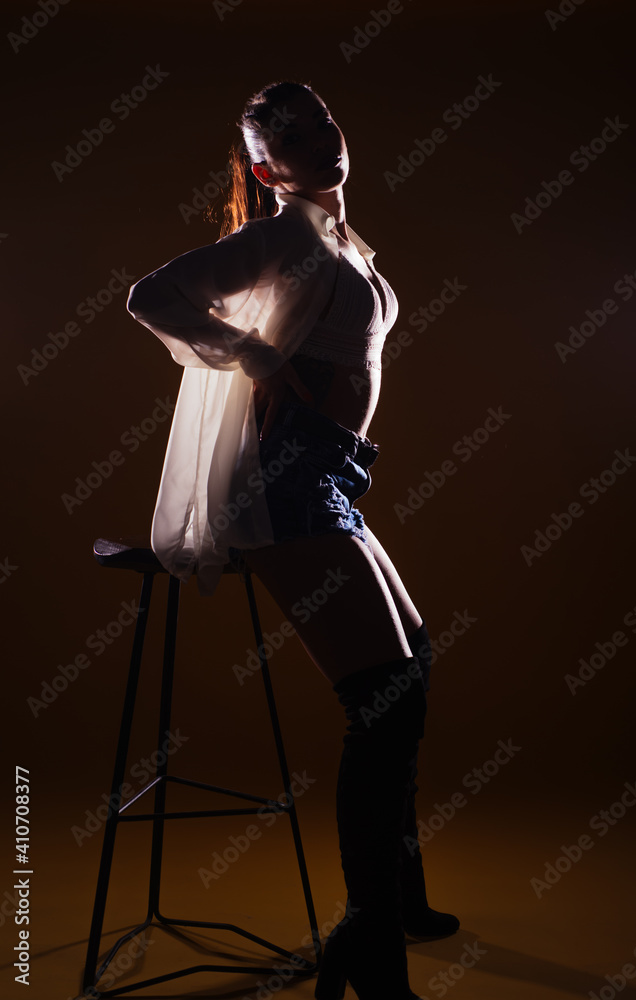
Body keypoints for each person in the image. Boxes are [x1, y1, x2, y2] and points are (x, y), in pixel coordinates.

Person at [126, 79, 458, 1000]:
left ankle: (396, 899)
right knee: (383, 698)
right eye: (288, 139)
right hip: (286, 479)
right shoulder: (281, 235)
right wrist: (258, 356)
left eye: (319, 122)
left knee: (412, 660)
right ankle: (367, 936)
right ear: (265, 167)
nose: (314, 141)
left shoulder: (335, 238)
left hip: (331, 470)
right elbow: (150, 296)